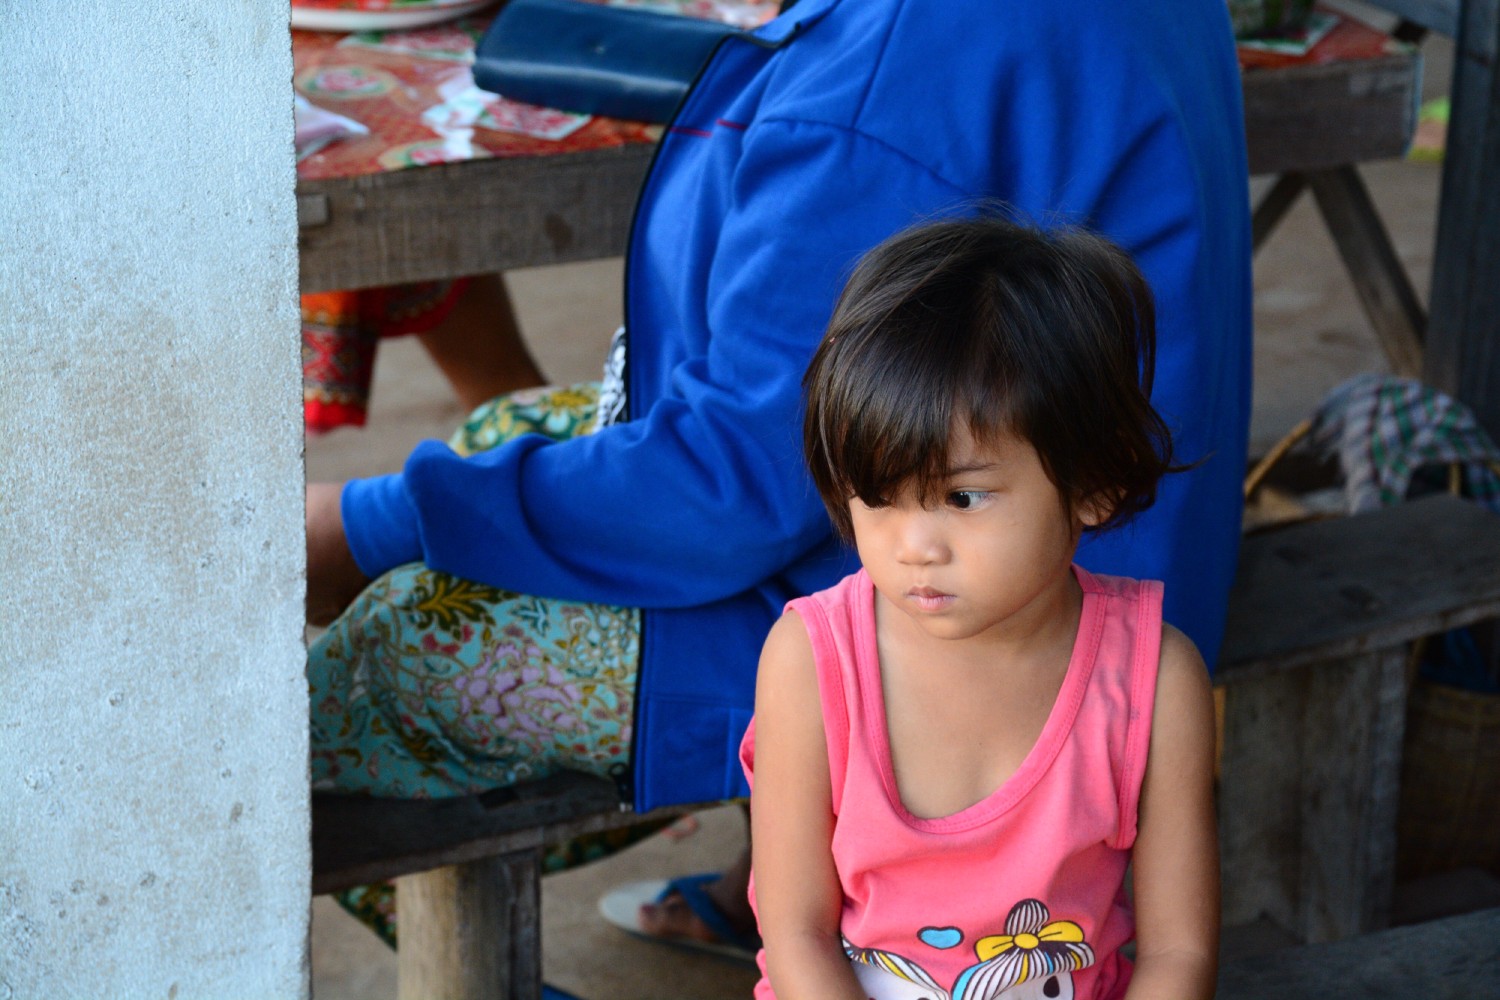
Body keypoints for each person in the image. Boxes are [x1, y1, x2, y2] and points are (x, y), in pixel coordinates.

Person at [305, 0, 1250, 946]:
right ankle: (800, 884)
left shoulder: (888, 82)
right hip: (1139, 538)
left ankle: (822, 882)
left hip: (1006, 624)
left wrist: (366, 528)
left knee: (384, 653)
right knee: (500, 432)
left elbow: (736, 483)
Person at [743, 215, 1218, 1000]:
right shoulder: (810, 662)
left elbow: (1178, 953)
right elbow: (796, 937)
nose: (914, 547)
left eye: (963, 497)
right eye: (879, 497)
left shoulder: (1154, 682)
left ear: (1094, 482)